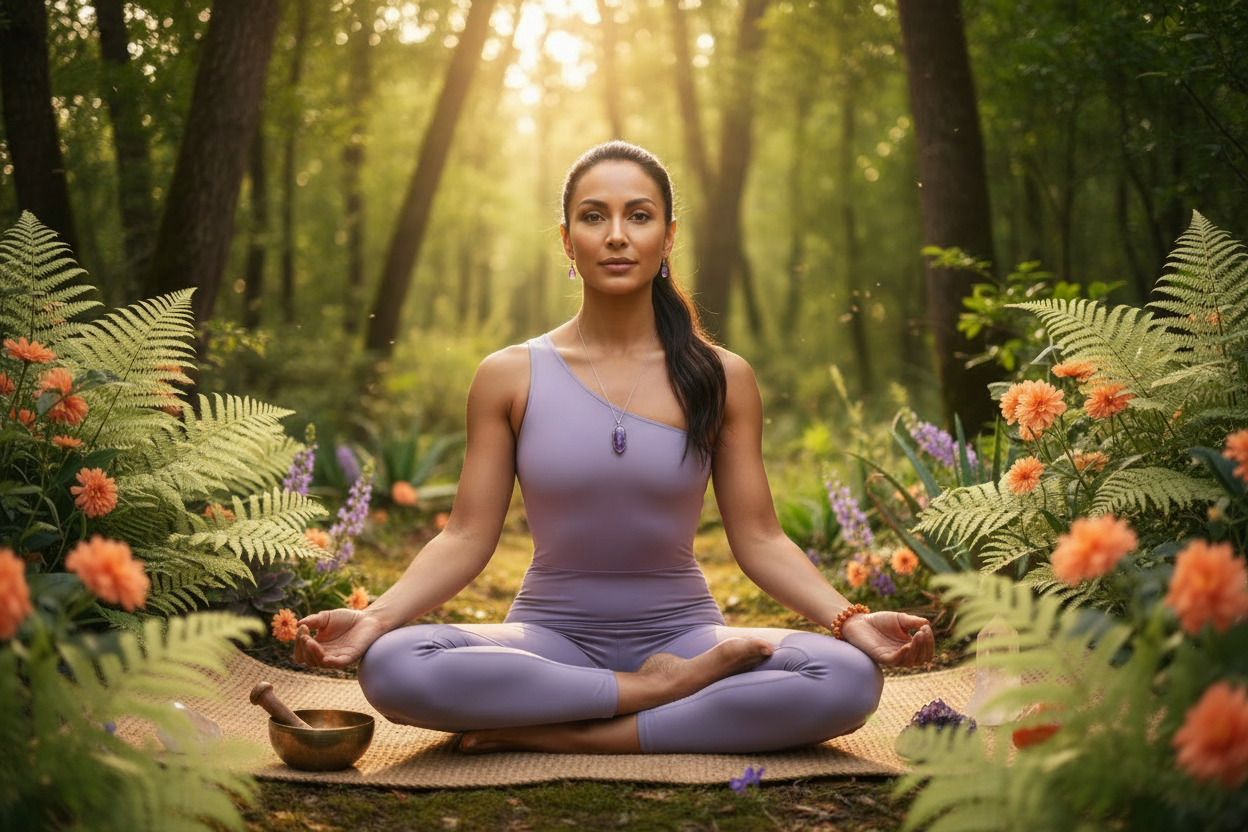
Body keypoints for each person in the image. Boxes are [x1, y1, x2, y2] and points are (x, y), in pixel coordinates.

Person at [293, 140, 934, 754]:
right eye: (594, 217)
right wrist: (375, 618)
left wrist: (849, 619)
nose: (618, 234)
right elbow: (464, 536)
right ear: (568, 241)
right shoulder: (508, 375)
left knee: (847, 677)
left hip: (688, 635)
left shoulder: (722, 375)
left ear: (668, 239)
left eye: (640, 216)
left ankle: (580, 730)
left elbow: (761, 538)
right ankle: (654, 695)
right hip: (546, 639)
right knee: (396, 666)